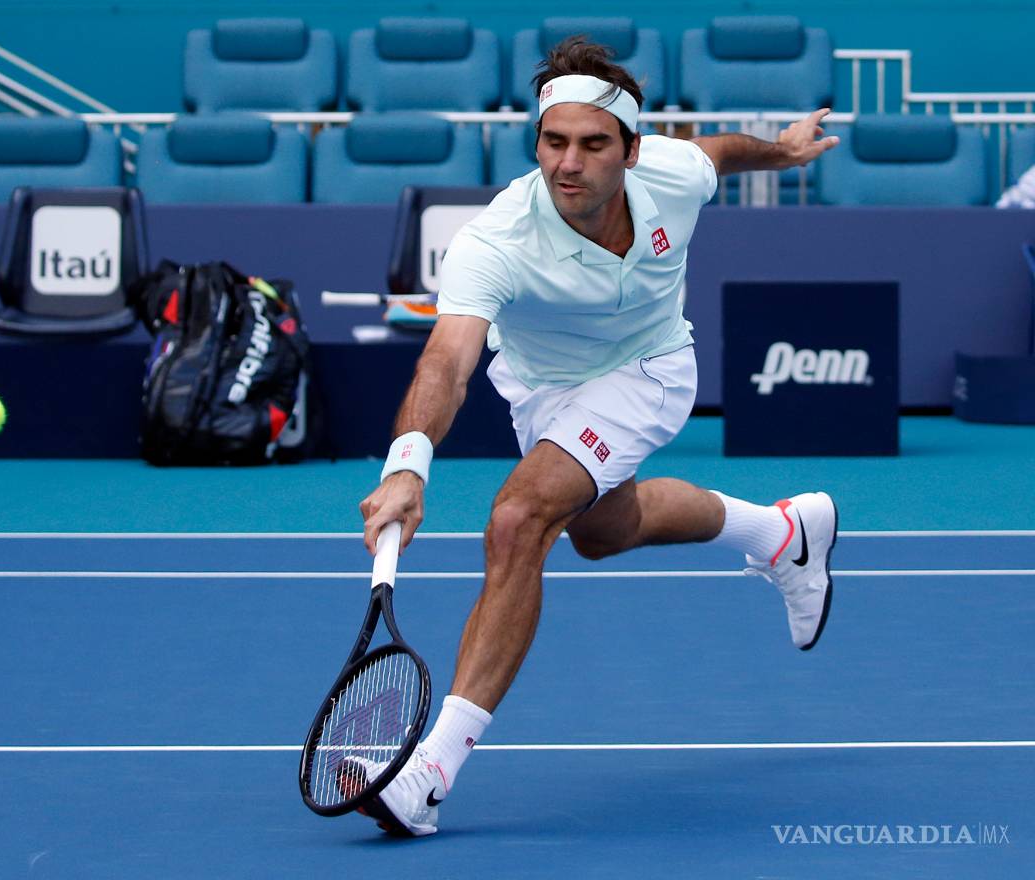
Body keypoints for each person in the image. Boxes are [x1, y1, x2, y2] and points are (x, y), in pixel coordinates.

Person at [351, 38, 843, 837]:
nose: (568, 163)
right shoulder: (495, 240)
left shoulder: (670, 176)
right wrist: (408, 466)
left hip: (649, 369)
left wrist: (783, 153)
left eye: (592, 143)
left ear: (631, 151)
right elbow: (446, 360)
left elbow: (721, 152)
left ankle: (429, 772)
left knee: (518, 521)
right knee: (602, 533)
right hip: (543, 390)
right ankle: (781, 533)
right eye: (553, 141)